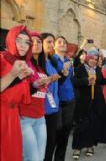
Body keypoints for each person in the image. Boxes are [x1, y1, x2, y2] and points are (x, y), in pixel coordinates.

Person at [1, 25, 33, 161]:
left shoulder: (21, 63)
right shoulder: (2, 58)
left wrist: (34, 85)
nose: (23, 45)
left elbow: (12, 90)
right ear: (10, 39)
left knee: (12, 154)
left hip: (13, 116)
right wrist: (13, 74)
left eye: (27, 42)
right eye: (18, 40)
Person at [71, 49, 106, 159]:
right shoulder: (80, 68)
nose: (93, 61)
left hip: (96, 101)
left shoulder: (98, 69)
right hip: (83, 101)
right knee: (81, 125)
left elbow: (100, 81)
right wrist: (86, 80)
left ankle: (90, 146)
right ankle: (78, 148)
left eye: (96, 59)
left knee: (93, 124)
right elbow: (74, 82)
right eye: (92, 58)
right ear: (88, 58)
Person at [19, 31, 49, 161]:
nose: (36, 44)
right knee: (32, 158)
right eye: (33, 42)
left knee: (40, 157)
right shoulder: (23, 64)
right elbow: (20, 91)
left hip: (40, 118)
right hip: (25, 118)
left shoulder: (42, 68)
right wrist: (35, 85)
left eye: (39, 42)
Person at [53, 36, 76, 161]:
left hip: (70, 100)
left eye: (64, 42)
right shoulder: (52, 60)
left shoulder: (68, 60)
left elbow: (70, 79)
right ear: (55, 46)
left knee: (65, 133)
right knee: (57, 132)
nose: (62, 44)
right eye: (59, 42)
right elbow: (56, 80)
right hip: (58, 101)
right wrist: (63, 71)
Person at [41, 33, 61, 161]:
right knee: (43, 145)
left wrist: (61, 74)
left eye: (52, 42)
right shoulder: (38, 62)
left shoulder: (52, 61)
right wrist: (49, 79)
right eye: (48, 41)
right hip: (43, 108)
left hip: (54, 107)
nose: (51, 44)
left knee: (51, 142)